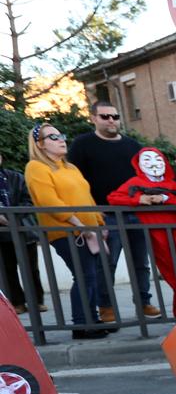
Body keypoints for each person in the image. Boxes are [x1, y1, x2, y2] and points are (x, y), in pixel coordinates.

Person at [66, 100, 159, 320]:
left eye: (115, 117)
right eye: (105, 116)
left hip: (135, 212)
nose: (111, 121)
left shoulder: (133, 146)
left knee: (141, 263)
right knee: (106, 264)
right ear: (93, 118)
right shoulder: (82, 144)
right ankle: (106, 306)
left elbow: (144, 176)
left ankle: (144, 302)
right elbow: (75, 179)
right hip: (104, 214)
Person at [24, 124, 107, 338]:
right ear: (40, 144)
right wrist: (78, 224)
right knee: (83, 274)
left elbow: (87, 198)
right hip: (66, 231)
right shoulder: (36, 167)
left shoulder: (70, 168)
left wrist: (98, 223)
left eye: (61, 134)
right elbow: (47, 200)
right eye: (53, 137)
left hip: (87, 230)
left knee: (90, 274)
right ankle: (82, 324)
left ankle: (92, 320)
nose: (61, 139)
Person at [105, 147, 176, 319]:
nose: (153, 164)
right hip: (157, 234)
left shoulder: (171, 184)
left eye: (158, 159)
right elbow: (113, 198)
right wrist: (139, 199)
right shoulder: (134, 183)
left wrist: (165, 198)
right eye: (147, 159)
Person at [0, 152, 45, 314]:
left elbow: (28, 201)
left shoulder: (16, 177)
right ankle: (17, 303)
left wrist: (11, 216)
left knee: (31, 268)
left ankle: (37, 301)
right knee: (7, 270)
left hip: (23, 230)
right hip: (2, 235)